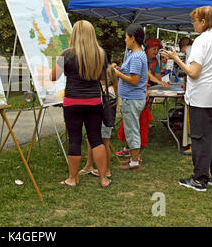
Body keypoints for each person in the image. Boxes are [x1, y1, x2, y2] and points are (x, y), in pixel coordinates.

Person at [161, 6, 212, 192]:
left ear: (204, 22)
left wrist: (176, 59)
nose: (192, 24)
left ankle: (199, 179)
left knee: (201, 139)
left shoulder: (202, 41)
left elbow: (193, 73)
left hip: (204, 98)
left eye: (194, 21)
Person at [50, 20, 112, 188]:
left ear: (75, 34)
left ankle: (72, 178)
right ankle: (103, 179)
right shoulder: (100, 54)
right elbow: (101, 78)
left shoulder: (66, 54)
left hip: (72, 102)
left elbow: (53, 77)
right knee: (96, 138)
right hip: (94, 101)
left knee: (75, 139)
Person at [112, 24, 148, 170]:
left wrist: (117, 74)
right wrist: (119, 69)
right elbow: (128, 72)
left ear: (133, 38)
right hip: (132, 98)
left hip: (132, 99)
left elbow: (134, 80)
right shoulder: (135, 55)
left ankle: (134, 161)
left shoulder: (137, 57)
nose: (125, 40)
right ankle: (133, 157)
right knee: (131, 128)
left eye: (126, 37)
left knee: (132, 129)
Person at [79, 65, 118, 178]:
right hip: (98, 120)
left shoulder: (108, 90)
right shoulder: (105, 88)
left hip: (104, 121)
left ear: (108, 77)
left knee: (105, 143)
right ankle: (89, 165)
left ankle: (107, 170)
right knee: (90, 141)